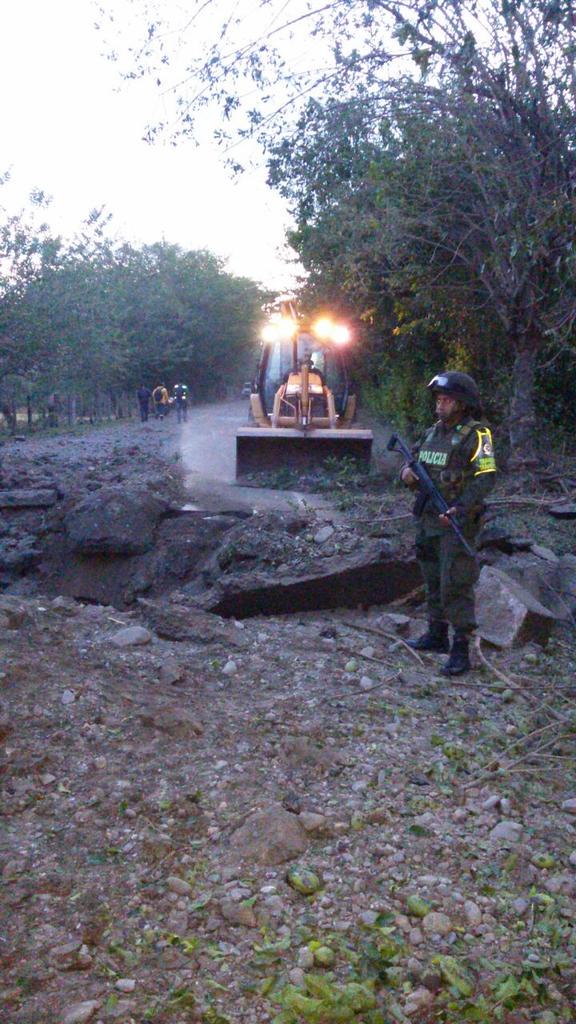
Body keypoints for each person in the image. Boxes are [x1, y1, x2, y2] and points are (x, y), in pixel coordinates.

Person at [399, 371, 497, 675]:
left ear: (462, 404)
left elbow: (486, 477)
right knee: (432, 577)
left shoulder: (478, 435)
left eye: (447, 400)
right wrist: (405, 474)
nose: (440, 405)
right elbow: (413, 463)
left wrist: (461, 506)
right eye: (439, 399)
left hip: (456, 521)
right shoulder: (432, 433)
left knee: (456, 580)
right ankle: (436, 633)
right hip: (428, 519)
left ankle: (460, 648)